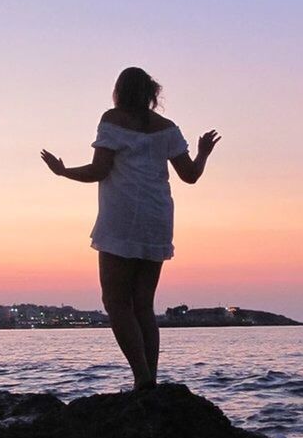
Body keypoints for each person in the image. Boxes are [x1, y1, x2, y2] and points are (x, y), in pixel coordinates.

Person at [41, 67, 220, 391]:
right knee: (143, 304)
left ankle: (142, 378)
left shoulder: (112, 119)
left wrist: (63, 171)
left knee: (115, 301)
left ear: (119, 91)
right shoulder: (167, 129)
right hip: (156, 218)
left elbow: (99, 169)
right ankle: (148, 378)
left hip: (122, 216)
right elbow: (190, 176)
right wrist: (204, 153)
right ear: (151, 93)